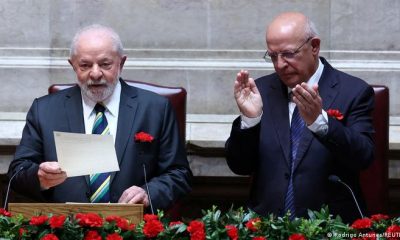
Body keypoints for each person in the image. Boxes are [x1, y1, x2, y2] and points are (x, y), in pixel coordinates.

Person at [7, 24, 192, 212]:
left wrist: (148, 194)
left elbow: (179, 174)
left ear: (121, 63)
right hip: (65, 227)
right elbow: (17, 172)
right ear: (73, 65)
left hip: (133, 228)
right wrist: (39, 178)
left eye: (105, 64)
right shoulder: (44, 110)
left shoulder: (155, 109)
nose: (95, 74)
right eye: (85, 65)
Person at [225, 12, 374, 223]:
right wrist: (251, 121)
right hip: (267, 227)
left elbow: (363, 157)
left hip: (331, 227)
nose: (279, 64)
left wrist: (320, 123)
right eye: (273, 56)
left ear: (314, 46)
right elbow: (239, 166)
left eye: (288, 54)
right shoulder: (261, 91)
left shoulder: (354, 91)